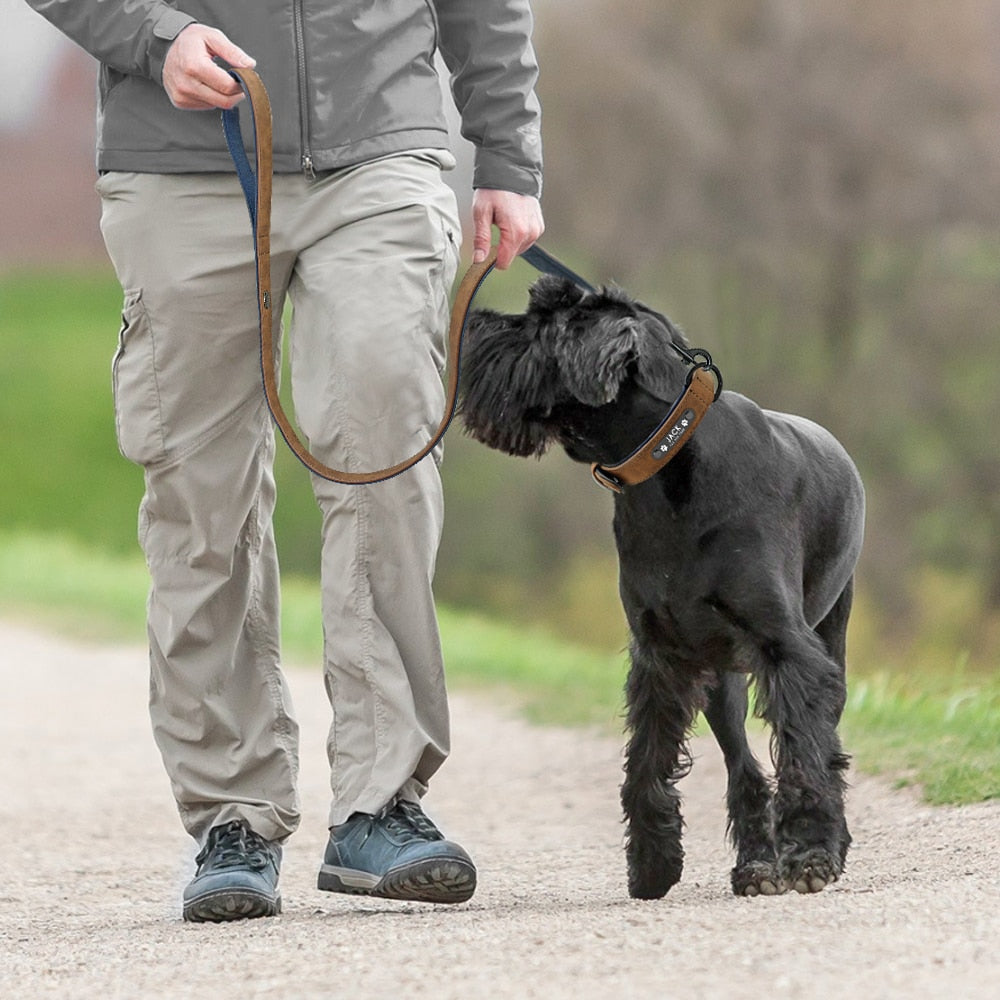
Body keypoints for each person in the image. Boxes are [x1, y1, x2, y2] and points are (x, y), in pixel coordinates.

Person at [26, 0, 544, 922]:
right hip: (182, 160)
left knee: (383, 441)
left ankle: (382, 802)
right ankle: (234, 812)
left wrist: (506, 155)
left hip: (381, 152)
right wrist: (156, 38)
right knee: (201, 496)